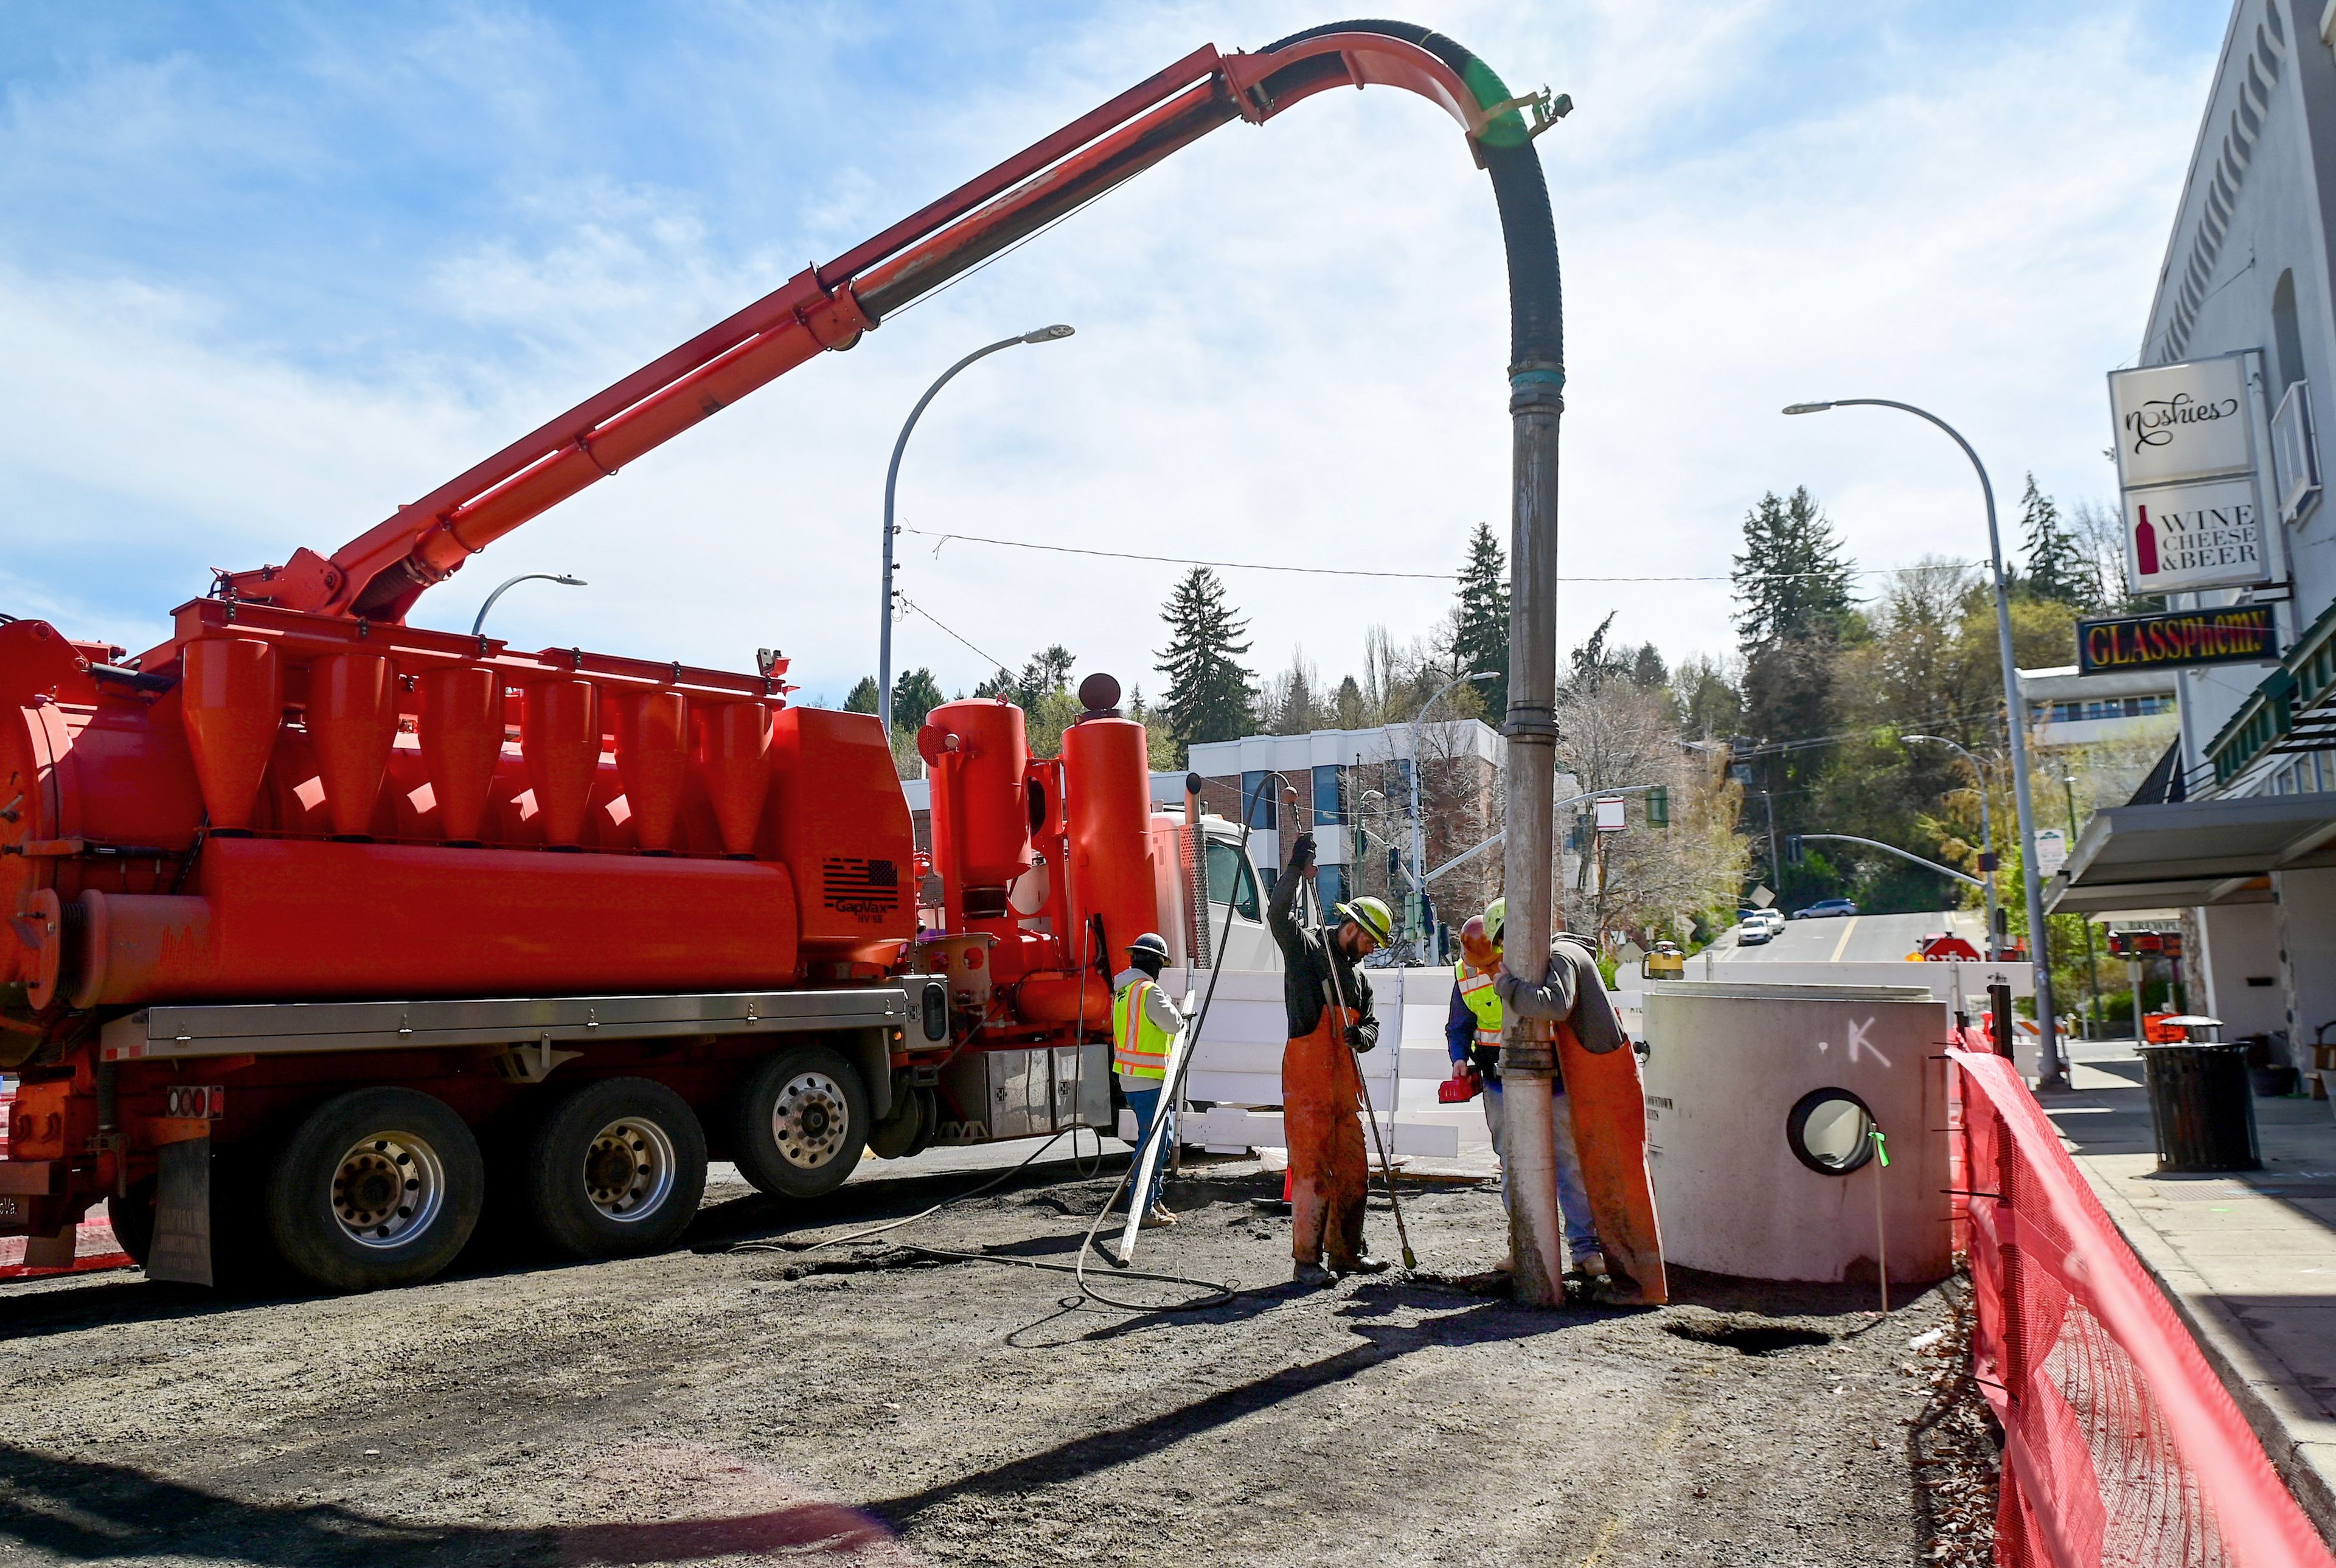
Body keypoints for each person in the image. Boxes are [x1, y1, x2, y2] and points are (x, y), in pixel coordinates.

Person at [1447, 899, 1604, 1280]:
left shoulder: (1542, 965)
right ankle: (1525, 1247)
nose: (1483, 971)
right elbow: (1459, 1023)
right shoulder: (1466, 973)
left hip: (1553, 1078)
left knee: (1568, 1163)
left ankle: (1586, 1251)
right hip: (1498, 1081)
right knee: (1513, 1165)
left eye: (1489, 964)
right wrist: (1458, 1059)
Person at [1268, 830, 1393, 1287]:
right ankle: (1306, 1261)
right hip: (1307, 1085)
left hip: (1344, 1093)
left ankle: (1346, 1254)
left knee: (1355, 1170)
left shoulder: (1360, 980)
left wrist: (1362, 1036)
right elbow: (1277, 916)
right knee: (1312, 1171)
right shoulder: (1307, 951)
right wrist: (1295, 872)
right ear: (1353, 928)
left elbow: (1374, 1027)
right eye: (1372, 941)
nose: (1373, 950)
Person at [1111, 932, 1185, 1229]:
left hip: (1132, 1078)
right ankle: (1143, 1206)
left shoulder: (1123, 991)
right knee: (1153, 1145)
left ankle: (1151, 1199)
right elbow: (1174, 1023)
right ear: (1155, 963)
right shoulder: (1148, 991)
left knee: (1154, 1142)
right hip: (1149, 1080)